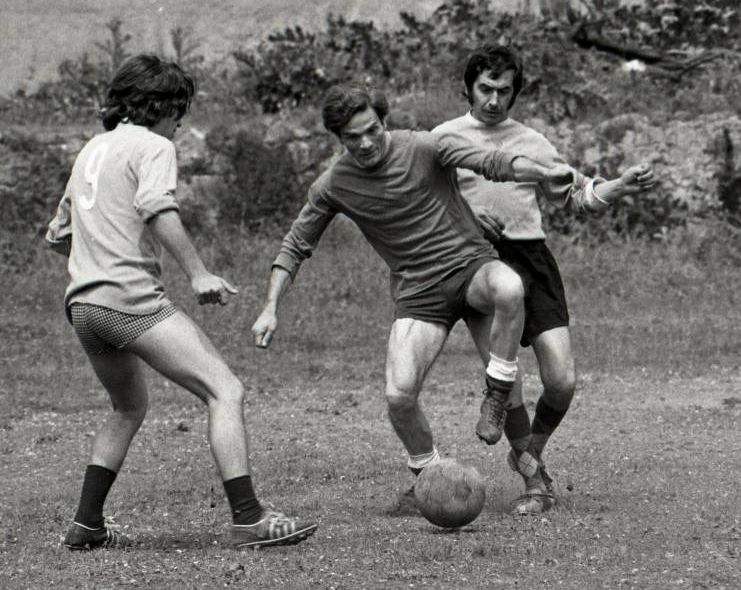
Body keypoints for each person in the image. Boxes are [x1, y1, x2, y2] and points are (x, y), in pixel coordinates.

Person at [250, 83, 579, 508]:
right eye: (353, 137)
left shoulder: (425, 146)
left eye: (372, 129)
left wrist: (540, 171)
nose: (366, 142)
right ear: (338, 138)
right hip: (420, 291)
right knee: (398, 396)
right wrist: (270, 307)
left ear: (384, 121)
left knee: (510, 289)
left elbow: (490, 161)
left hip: (470, 268)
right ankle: (428, 477)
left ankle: (531, 472)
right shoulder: (333, 185)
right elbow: (295, 246)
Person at [46, 54, 317, 550]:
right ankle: (248, 518)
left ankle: (86, 523)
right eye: (179, 113)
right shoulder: (153, 145)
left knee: (128, 407)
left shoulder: (91, 149)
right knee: (225, 390)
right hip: (129, 301)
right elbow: (158, 209)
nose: (179, 125)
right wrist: (198, 273)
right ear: (162, 107)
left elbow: (59, 234)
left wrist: (100, 254)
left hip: (83, 306)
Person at [431, 44, 655, 515]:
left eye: (504, 91)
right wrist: (468, 221)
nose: (493, 100)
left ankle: (528, 452)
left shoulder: (532, 141)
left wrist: (618, 186)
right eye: (485, 89)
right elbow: (425, 205)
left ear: (515, 94)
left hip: (532, 259)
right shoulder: (443, 139)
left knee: (562, 380)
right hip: (477, 262)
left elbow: (575, 194)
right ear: (468, 87)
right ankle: (537, 483)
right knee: (506, 384)